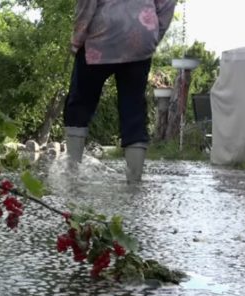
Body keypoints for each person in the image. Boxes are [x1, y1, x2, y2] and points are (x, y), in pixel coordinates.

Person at [63, 0, 177, 183]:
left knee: (80, 102)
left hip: (101, 33)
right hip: (141, 32)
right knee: (134, 108)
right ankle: (134, 181)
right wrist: (154, 32)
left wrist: (77, 40)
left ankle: (71, 173)